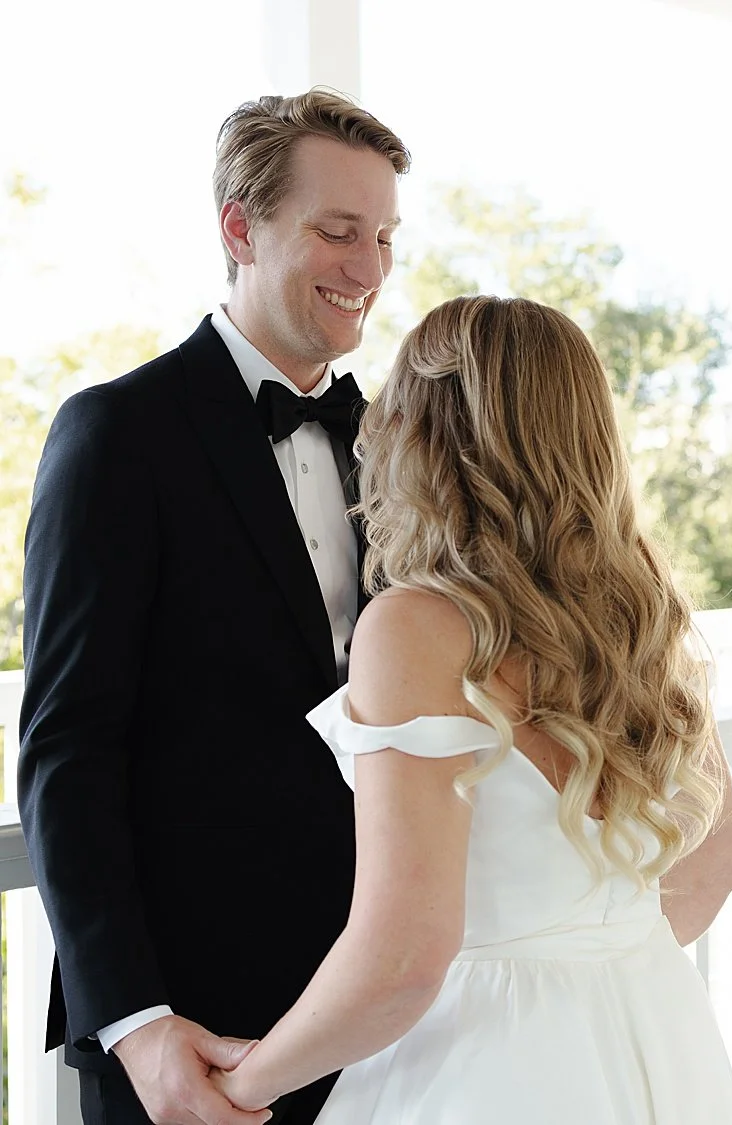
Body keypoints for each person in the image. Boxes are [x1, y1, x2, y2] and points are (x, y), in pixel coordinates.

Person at [206, 295, 732, 1123]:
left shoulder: (416, 627)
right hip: (657, 1039)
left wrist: (242, 1087)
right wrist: (589, 971)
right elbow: (716, 863)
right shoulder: (642, 606)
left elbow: (405, 957)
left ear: (424, 436)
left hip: (487, 1068)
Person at [18, 89, 409, 1124]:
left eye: (383, 237)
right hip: (187, 1029)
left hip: (382, 1015)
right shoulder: (116, 434)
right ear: (240, 226)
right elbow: (67, 748)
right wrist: (139, 1028)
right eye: (336, 231)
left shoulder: (401, 449)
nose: (367, 269)